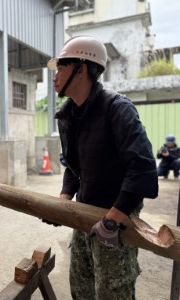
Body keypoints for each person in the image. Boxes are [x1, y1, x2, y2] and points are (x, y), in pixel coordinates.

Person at [46, 36, 158, 299]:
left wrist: (112, 220)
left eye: (61, 66)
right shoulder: (68, 115)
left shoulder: (118, 109)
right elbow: (74, 167)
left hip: (116, 216)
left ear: (81, 68)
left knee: (112, 290)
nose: (55, 76)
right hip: (84, 212)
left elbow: (142, 170)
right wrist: (64, 201)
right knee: (81, 285)